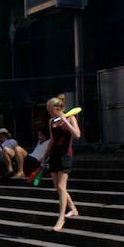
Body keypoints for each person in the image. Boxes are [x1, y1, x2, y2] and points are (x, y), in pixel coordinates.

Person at [38, 94, 81, 231]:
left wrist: (65, 120)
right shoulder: (52, 121)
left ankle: (61, 218)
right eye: (48, 109)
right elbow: (52, 140)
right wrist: (45, 156)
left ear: (58, 108)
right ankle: (73, 209)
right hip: (54, 156)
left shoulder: (70, 117)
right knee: (58, 187)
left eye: (50, 109)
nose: (49, 111)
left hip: (65, 155)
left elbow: (77, 135)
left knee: (62, 186)